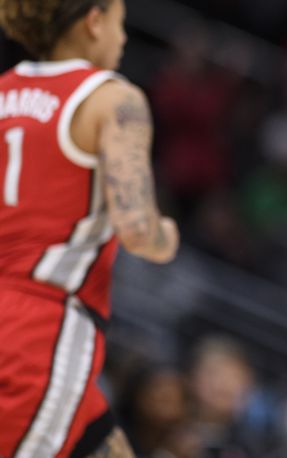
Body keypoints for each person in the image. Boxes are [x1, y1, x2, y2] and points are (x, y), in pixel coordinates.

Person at [0, 0, 179, 456]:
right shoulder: (112, 98)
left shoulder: (3, 92)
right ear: (94, 21)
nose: (123, 38)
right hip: (40, 324)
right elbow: (138, 230)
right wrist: (166, 234)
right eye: (121, 23)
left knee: (108, 445)